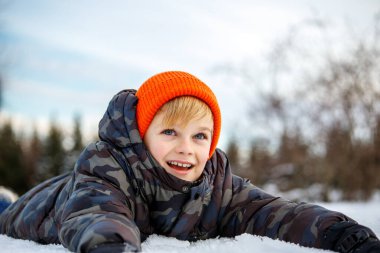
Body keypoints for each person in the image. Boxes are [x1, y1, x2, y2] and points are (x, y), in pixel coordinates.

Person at [0, 71, 379, 253]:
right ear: (141, 135)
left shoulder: (217, 183)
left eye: (200, 136)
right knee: (8, 209)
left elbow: (271, 210)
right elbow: (98, 214)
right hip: (45, 203)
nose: (187, 149)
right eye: (169, 133)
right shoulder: (108, 166)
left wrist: (337, 232)